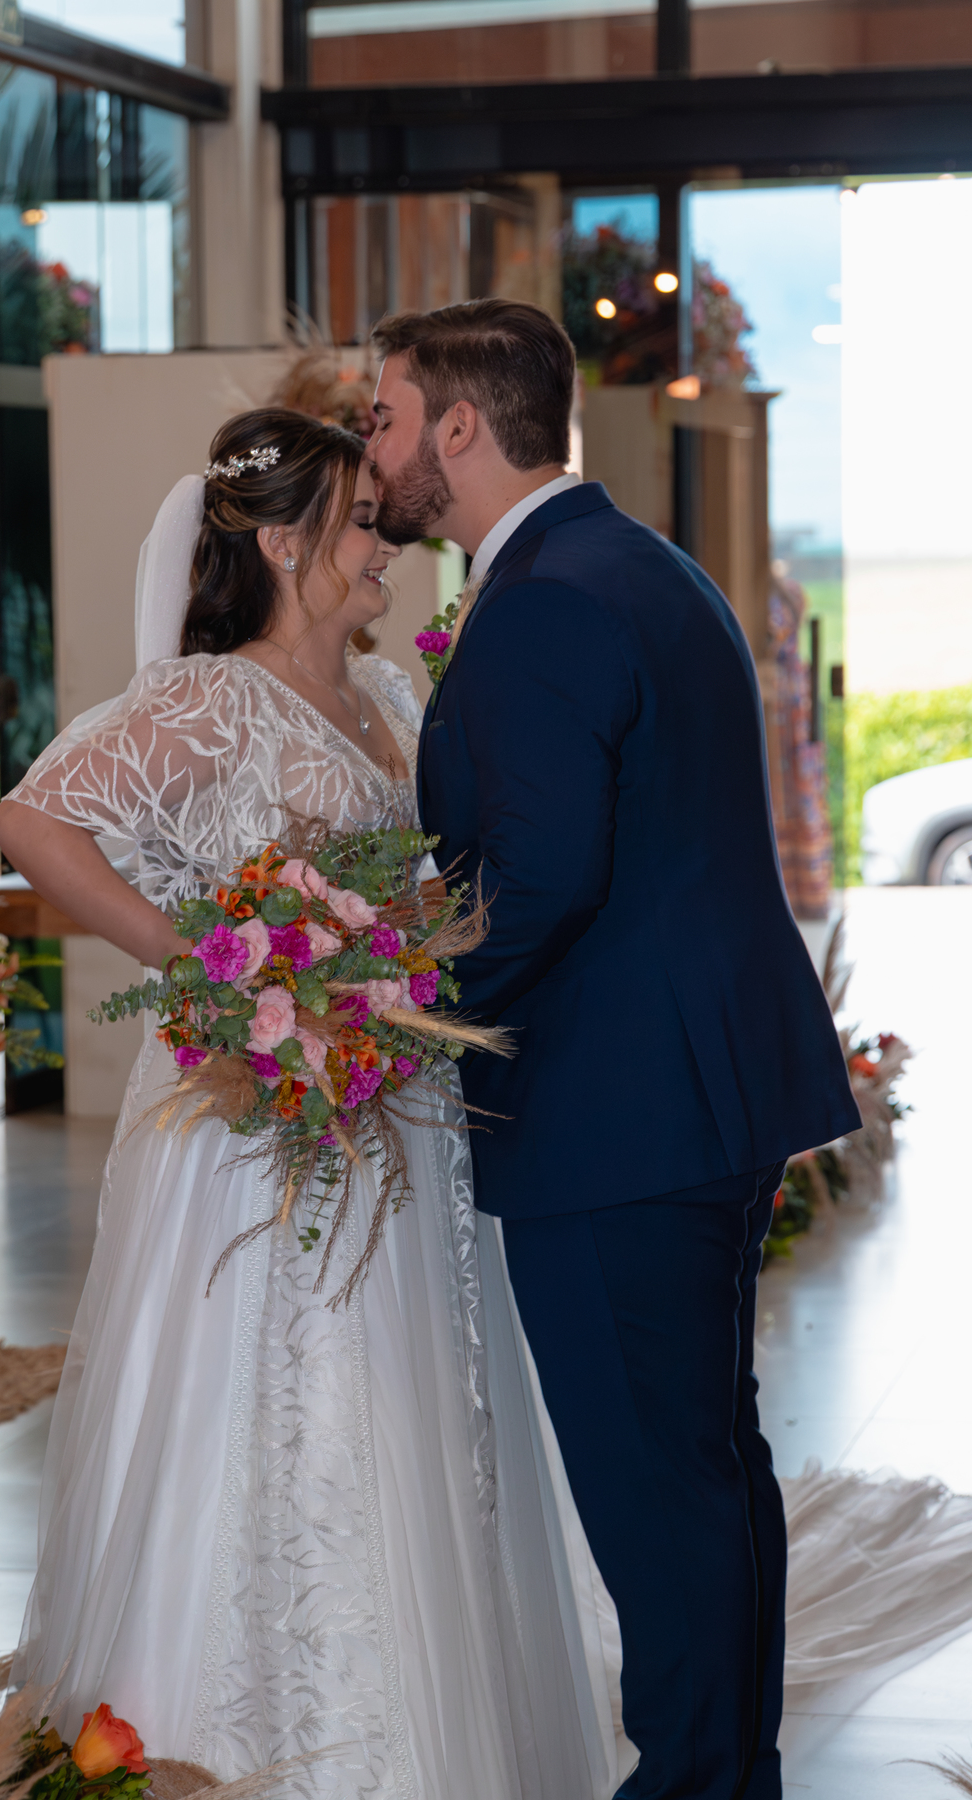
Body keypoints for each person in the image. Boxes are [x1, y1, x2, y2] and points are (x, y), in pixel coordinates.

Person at [0, 409, 620, 1798]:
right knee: (277, 1411)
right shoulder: (211, 698)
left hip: (401, 1116)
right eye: (355, 520)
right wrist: (207, 969)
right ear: (281, 544)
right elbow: (32, 819)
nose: (384, 536)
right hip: (261, 1131)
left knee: (420, 1413)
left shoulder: (393, 698)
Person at [367, 298, 862, 1800]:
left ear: (461, 426)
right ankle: (731, 1771)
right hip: (696, 1093)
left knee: (659, 1490)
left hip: (613, 1113)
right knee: (710, 1469)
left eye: (385, 416)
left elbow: (543, 872)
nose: (373, 449)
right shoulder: (643, 566)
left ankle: (696, 1781)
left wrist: (393, 1010)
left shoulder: (545, 602)